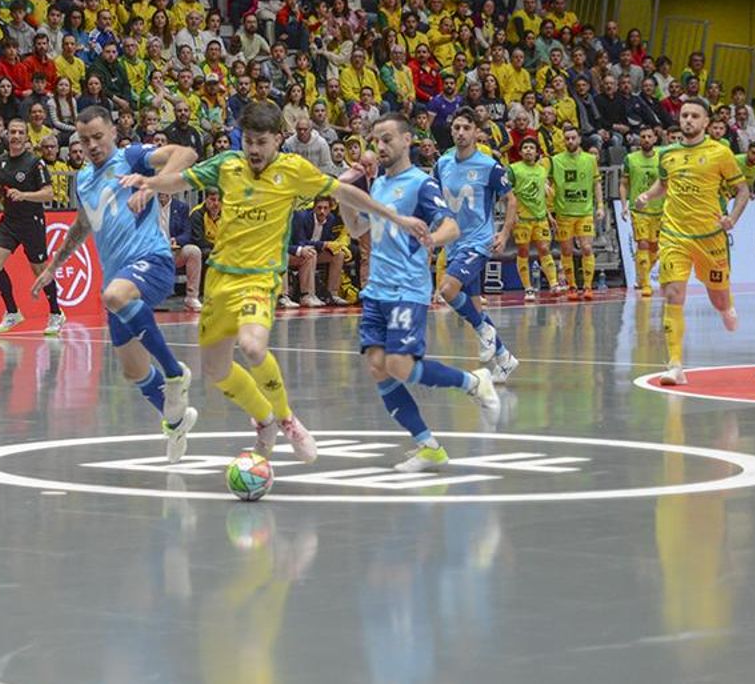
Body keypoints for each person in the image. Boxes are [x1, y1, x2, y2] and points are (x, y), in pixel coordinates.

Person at [126, 102, 429, 464]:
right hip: (220, 277)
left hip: (260, 278)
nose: (253, 150)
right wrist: (150, 182)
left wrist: (394, 217)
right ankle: (264, 421)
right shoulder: (227, 164)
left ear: (278, 140)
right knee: (215, 370)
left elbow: (345, 193)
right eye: (249, 141)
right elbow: (181, 180)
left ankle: (287, 420)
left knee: (253, 347)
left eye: (262, 142)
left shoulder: (294, 170)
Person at [32, 106, 196, 461]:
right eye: (84, 139)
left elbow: (186, 154)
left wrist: (152, 184)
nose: (91, 145)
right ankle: (177, 421)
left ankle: (174, 374)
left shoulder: (132, 157)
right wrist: (54, 265)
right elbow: (82, 226)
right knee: (133, 369)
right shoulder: (84, 179)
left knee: (113, 295)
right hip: (118, 277)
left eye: (97, 137)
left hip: (151, 262)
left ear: (112, 131)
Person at [342, 113, 502, 473]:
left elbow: (452, 226)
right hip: (377, 290)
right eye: (376, 141)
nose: (380, 147)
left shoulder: (421, 184)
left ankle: (474, 382)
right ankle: (427, 446)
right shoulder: (378, 186)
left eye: (387, 139)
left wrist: (432, 239)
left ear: (406, 141)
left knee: (399, 365)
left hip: (406, 289)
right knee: (378, 368)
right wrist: (345, 192)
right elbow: (354, 229)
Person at [634, 99, 750, 387]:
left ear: (706, 123)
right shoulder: (667, 154)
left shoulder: (720, 153)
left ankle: (726, 306)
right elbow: (663, 185)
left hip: (710, 237)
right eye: (684, 115)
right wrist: (648, 196)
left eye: (694, 116)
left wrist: (731, 219)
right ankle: (675, 365)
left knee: (718, 298)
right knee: (673, 294)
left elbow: (743, 190)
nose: (687, 120)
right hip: (674, 234)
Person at [434, 107, 520, 383]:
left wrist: (504, 233)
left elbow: (511, 200)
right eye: (456, 127)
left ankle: (485, 331)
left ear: (475, 132)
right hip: (453, 244)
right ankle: (504, 358)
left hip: (479, 242)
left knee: (447, 289)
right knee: (473, 308)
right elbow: (435, 199)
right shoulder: (442, 164)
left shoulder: (490, 167)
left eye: (466, 128)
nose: (460, 133)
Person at [0, 117, 62, 335]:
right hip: (9, 221)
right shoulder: (1, 161)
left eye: (20, 132)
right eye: (13, 132)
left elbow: (48, 193)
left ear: (26, 137)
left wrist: (24, 195)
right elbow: (0, 187)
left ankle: (56, 313)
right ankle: (12, 312)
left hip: (31, 221)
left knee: (39, 270)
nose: (16, 136)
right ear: (7, 135)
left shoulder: (35, 163)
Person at [548, 124, 602, 300]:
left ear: (579, 139)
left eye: (573, 138)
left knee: (587, 248)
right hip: (564, 214)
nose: (570, 141)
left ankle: (587, 287)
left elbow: (596, 183)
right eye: (567, 138)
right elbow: (547, 182)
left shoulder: (590, 160)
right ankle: (571, 286)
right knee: (566, 250)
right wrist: (548, 206)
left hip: (584, 212)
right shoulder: (555, 160)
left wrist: (600, 206)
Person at [508, 137, 560, 300]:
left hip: (540, 218)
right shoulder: (513, 169)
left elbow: (540, 196)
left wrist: (548, 214)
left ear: (537, 152)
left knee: (544, 248)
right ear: (521, 151)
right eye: (525, 148)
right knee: (523, 251)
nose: (528, 150)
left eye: (532, 148)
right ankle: (528, 287)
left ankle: (553, 283)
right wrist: (512, 214)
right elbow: (507, 194)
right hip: (522, 218)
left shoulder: (541, 170)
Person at [619, 127, 665, 299]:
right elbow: (624, 183)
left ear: (655, 139)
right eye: (643, 136)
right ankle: (645, 283)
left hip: (658, 209)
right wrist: (624, 205)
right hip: (639, 210)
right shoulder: (630, 159)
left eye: (649, 136)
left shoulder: (662, 158)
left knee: (655, 247)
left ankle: (641, 274)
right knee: (643, 244)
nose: (646, 139)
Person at [156, 188, 201, 311]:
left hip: (174, 251)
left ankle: (192, 297)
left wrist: (177, 240)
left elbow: (187, 233)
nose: (162, 193)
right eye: (160, 189)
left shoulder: (181, 207)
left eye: (166, 188)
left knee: (193, 251)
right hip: (154, 252)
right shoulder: (149, 207)